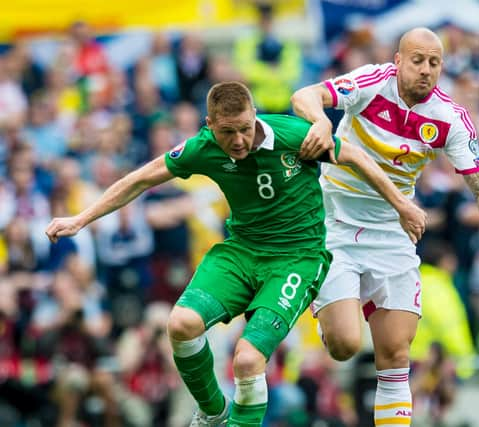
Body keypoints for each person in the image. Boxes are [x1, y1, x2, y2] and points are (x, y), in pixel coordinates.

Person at [45, 81, 427, 427]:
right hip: (242, 252)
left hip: (296, 258)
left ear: (254, 116)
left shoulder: (294, 136)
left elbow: (357, 158)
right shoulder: (203, 148)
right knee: (180, 325)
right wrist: (81, 219)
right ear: (209, 124)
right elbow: (141, 178)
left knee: (246, 360)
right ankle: (213, 413)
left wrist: (402, 206)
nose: (239, 140)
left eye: (245, 128)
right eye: (228, 132)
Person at [291, 27, 479, 426]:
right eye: (417, 60)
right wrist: (320, 122)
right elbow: (304, 96)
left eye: (434, 63)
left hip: (393, 231)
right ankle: (335, 301)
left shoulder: (450, 118)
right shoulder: (372, 82)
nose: (426, 70)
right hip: (335, 224)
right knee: (345, 345)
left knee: (396, 355)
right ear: (398, 61)